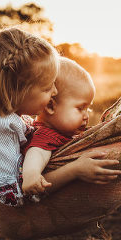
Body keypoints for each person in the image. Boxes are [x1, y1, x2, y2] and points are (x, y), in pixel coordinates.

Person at [0, 28, 119, 208]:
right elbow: (15, 194)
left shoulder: (13, 117)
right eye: (47, 88)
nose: (54, 92)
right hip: (19, 207)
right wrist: (75, 170)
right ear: (19, 91)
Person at [21, 57, 95, 196]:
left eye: (88, 109)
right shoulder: (45, 136)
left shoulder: (61, 130)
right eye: (80, 108)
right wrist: (31, 175)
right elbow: (36, 154)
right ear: (50, 105)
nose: (86, 116)